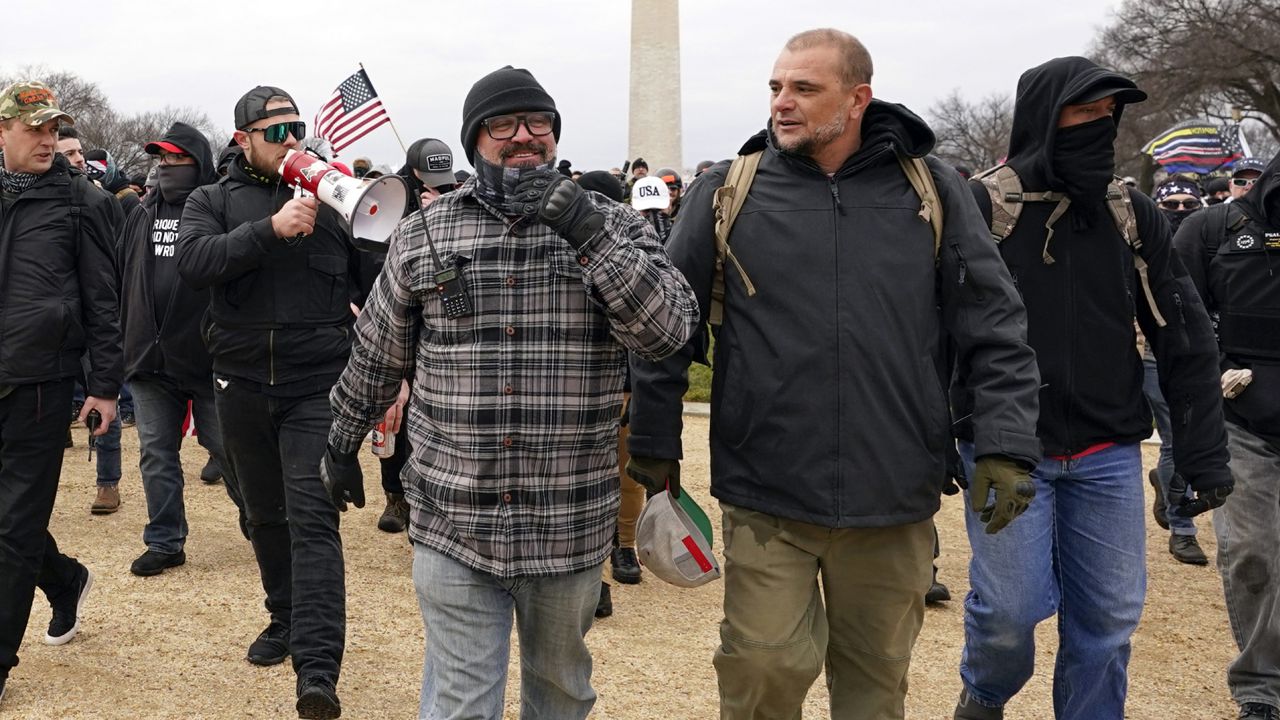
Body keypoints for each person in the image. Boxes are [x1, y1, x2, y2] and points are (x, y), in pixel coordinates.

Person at [627, 29, 1042, 720]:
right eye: (776, 87)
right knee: (763, 669)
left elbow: (994, 325)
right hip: (766, 486)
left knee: (874, 690)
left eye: (804, 89)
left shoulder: (934, 189)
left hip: (894, 489)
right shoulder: (726, 192)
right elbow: (666, 326)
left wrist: (1004, 441)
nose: (782, 103)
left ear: (857, 99)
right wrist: (654, 438)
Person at [325, 65, 698, 719]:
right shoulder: (426, 231)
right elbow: (377, 352)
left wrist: (586, 232)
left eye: (539, 123)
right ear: (475, 141)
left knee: (559, 691)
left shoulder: (612, 224)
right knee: (462, 700)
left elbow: (669, 332)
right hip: (453, 517)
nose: (525, 136)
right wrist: (340, 438)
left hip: (569, 519)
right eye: (504, 124)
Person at [952, 57, 1231, 720]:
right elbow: (931, 331)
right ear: (1046, 119)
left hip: (1107, 449)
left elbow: (1186, 337)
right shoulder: (984, 206)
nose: (1101, 127)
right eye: (1085, 113)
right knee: (1012, 613)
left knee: (1108, 621)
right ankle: (985, 693)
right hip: (1007, 447)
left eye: (1110, 115)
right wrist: (935, 436)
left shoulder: (1130, 212)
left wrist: (1203, 453)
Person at [177, 85, 359, 719]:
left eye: (296, 128)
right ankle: (283, 617)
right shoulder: (211, 199)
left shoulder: (332, 199)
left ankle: (317, 669)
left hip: (317, 387)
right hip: (240, 384)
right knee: (263, 515)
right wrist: (267, 230)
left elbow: (376, 282)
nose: (289, 140)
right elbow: (194, 263)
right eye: (275, 131)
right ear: (243, 139)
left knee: (314, 519)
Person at [0, 80, 121, 706]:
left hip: (43, 382)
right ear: (3, 132)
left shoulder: (83, 203)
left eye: (54, 129)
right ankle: (65, 578)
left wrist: (104, 385)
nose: (48, 140)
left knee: (14, 525)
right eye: (35, 129)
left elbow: (104, 299)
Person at [1174, 150, 1280, 720]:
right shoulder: (1211, 230)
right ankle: (1262, 689)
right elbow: (1177, 316)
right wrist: (1212, 372)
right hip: (1241, 422)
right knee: (1253, 554)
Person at [120, 121, 248, 577]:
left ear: (199, 164)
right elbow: (123, 277)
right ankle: (165, 539)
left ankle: (262, 524)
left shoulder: (220, 211)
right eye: (162, 160)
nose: (167, 168)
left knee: (230, 450)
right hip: (149, 361)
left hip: (209, 357)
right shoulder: (139, 212)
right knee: (156, 452)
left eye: (178, 159)